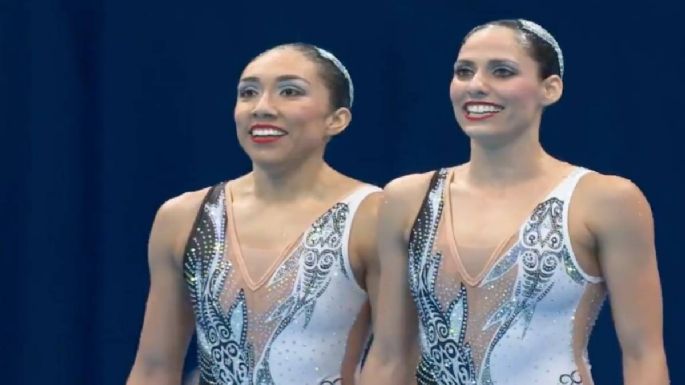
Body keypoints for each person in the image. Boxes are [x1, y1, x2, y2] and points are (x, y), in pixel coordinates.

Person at [361, 19, 669, 385]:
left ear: (550, 88)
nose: (476, 86)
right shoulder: (406, 199)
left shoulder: (603, 201)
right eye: (464, 71)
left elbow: (643, 354)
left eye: (502, 72)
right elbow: (389, 355)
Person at [127, 43, 382, 385]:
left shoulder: (373, 216)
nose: (262, 108)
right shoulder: (183, 218)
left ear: (336, 120)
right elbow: (154, 368)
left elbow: (398, 361)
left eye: (290, 92)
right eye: (248, 93)